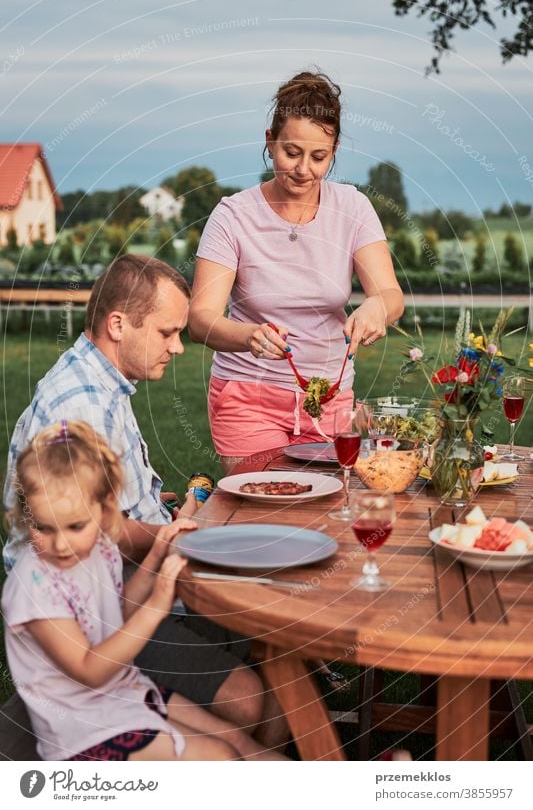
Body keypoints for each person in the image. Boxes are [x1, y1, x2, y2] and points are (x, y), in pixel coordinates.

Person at [2, 254, 286, 747]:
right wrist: (188, 537)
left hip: (127, 576)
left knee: (277, 642)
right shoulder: (81, 405)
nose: (178, 347)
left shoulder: (101, 383)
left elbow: (112, 508)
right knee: (249, 694)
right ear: (118, 324)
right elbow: (101, 532)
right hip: (96, 603)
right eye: (167, 332)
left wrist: (156, 510)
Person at [1, 421, 284, 761]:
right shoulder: (35, 589)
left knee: (240, 746)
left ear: (106, 509)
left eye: (76, 526)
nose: (61, 544)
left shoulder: (98, 548)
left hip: (123, 694)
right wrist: (158, 603)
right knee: (221, 757)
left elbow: (115, 616)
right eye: (43, 528)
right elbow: (89, 669)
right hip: (83, 729)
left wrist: (156, 555)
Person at [189, 70, 404, 472]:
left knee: (328, 514)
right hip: (247, 397)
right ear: (269, 141)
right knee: (266, 510)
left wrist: (378, 308)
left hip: (331, 398)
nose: (303, 169)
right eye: (291, 152)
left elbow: (390, 296)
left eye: (318, 157)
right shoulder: (232, 217)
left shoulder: (353, 209)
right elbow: (201, 320)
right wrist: (248, 335)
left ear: (334, 150)